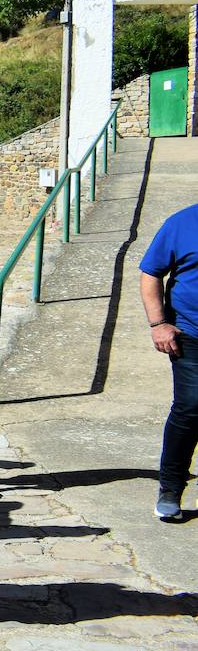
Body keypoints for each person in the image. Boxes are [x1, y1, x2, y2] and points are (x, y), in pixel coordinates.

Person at [140, 201, 198, 522]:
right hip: (190, 333)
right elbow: (150, 272)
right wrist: (157, 323)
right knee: (191, 406)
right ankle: (171, 488)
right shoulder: (182, 223)